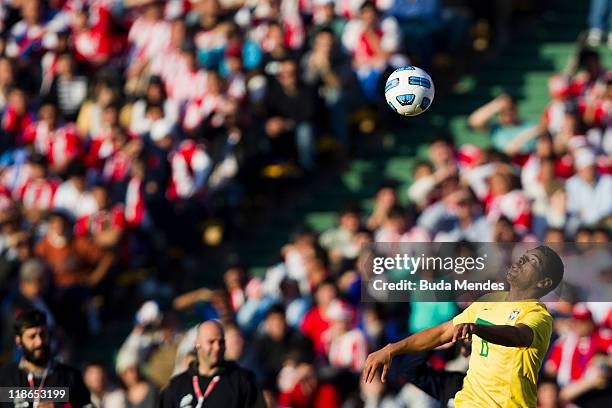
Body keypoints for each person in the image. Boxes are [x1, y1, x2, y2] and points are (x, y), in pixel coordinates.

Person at [363, 245, 565, 408]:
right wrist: (392, 349)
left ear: (544, 282)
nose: (522, 260)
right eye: (525, 255)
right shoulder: (489, 300)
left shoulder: (539, 315)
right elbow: (442, 332)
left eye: (533, 261)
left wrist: (477, 329)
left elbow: (517, 335)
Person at [159, 320, 264, 408]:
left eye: (221, 342)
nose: (217, 347)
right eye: (211, 342)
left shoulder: (243, 381)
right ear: (197, 344)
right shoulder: (177, 386)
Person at [0, 309, 91, 407]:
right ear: (18, 340)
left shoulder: (70, 376)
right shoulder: (5, 377)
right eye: (32, 336)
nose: (39, 342)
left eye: (43, 334)